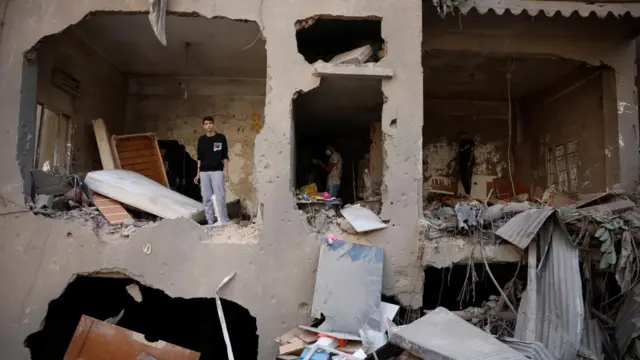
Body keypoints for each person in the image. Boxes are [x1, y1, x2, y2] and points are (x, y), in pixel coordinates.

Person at [194, 116, 229, 226]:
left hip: (217, 171)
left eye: (210, 123)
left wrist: (226, 171)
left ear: (213, 125)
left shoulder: (221, 138)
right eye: (206, 124)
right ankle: (210, 221)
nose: (208, 125)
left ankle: (223, 220)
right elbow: (199, 158)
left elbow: (225, 156)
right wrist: (197, 174)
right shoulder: (201, 140)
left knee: (220, 196)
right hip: (204, 172)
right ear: (203, 126)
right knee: (206, 197)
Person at [458, 131, 475, 196]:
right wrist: (458, 164)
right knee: (463, 178)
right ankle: (467, 193)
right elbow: (460, 155)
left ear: (465, 135)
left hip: (468, 163)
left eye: (461, 135)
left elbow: (472, 152)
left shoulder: (470, 141)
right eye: (459, 136)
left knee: (468, 178)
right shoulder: (461, 144)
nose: (460, 137)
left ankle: (469, 194)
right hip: (462, 163)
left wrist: (470, 161)